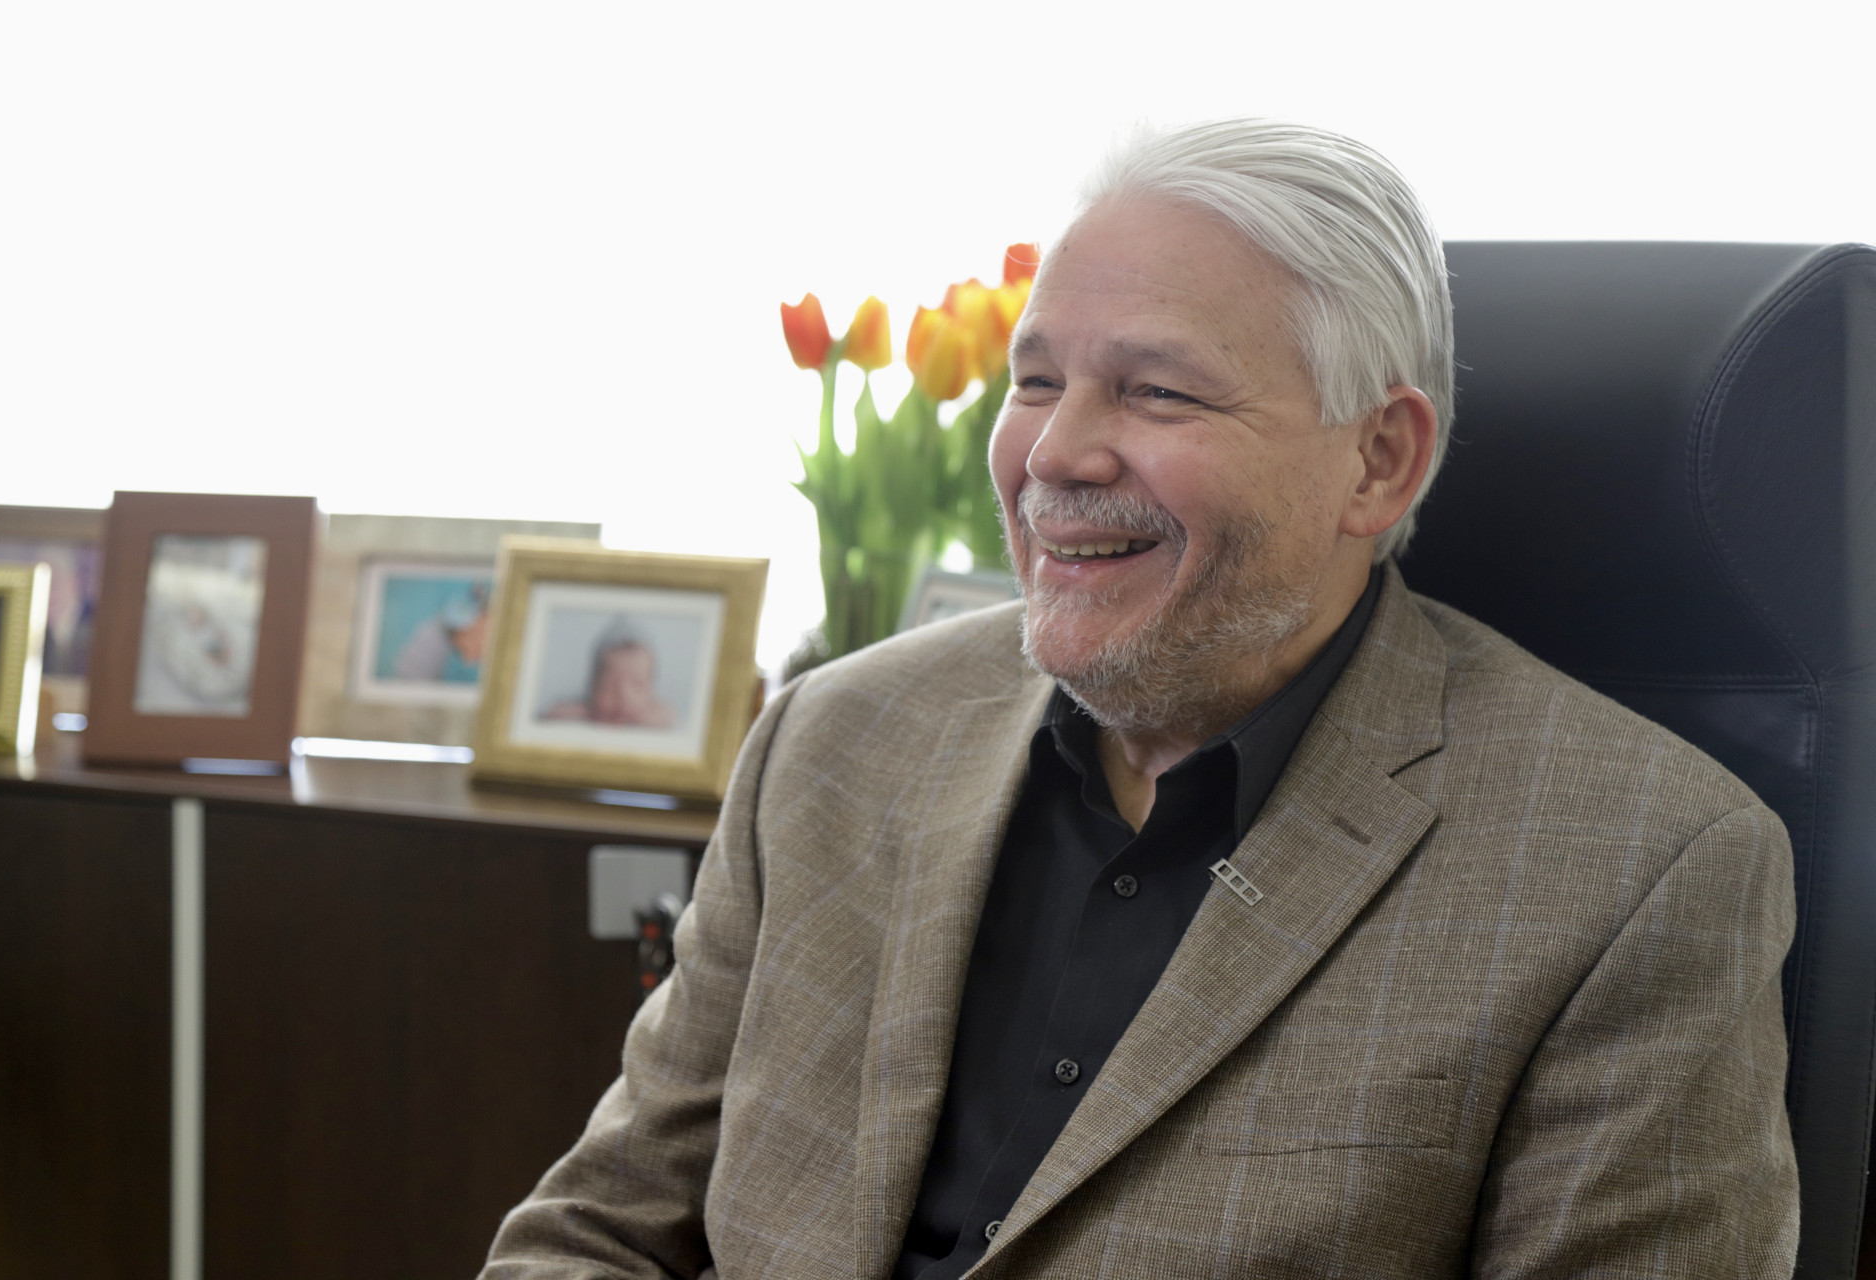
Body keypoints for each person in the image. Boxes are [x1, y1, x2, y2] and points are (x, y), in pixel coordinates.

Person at [482, 119, 1798, 1279]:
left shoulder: (1639, 868)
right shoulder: (834, 739)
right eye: (1036, 380)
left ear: (1378, 462)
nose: (1054, 452)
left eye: (1156, 390)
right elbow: (599, 1229)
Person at [542, 619, 677, 728]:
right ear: (594, 686)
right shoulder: (587, 708)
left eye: (638, 685)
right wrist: (589, 714)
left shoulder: (653, 712)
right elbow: (551, 713)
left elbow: (670, 717)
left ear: (651, 690)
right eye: (612, 686)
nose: (624, 697)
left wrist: (642, 719)